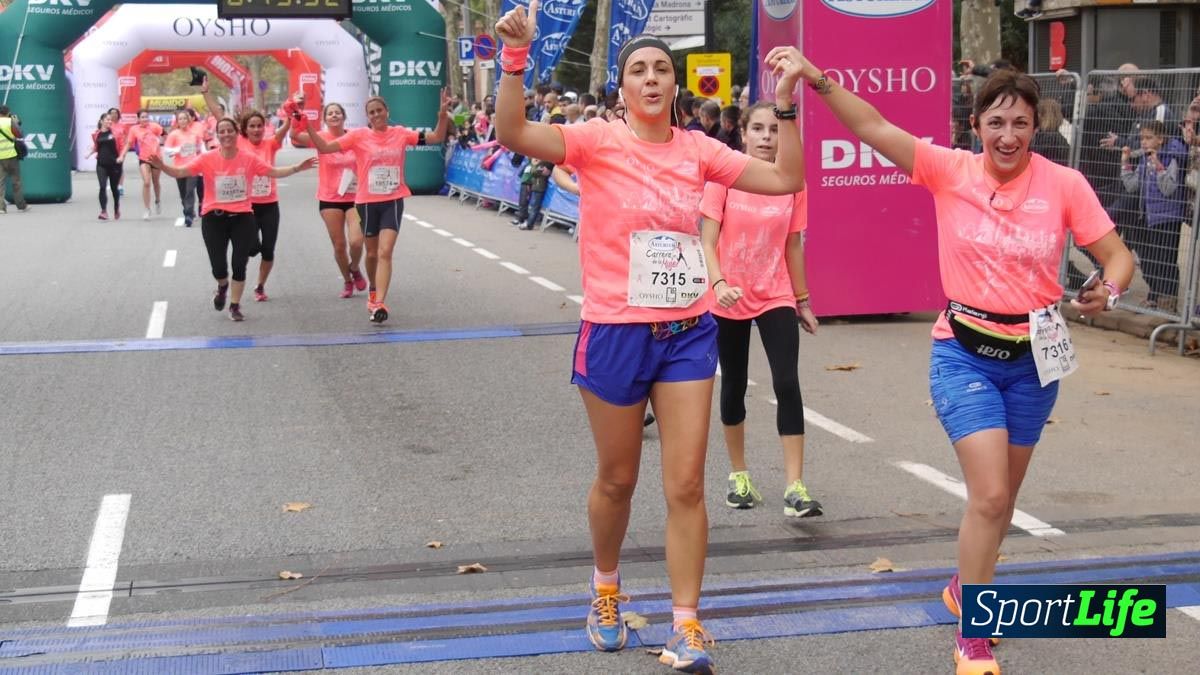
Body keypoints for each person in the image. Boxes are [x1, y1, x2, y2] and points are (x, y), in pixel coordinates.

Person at [793, 53, 1134, 675]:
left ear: (1037, 127)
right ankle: (974, 633)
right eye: (997, 122)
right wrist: (817, 80)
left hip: (1034, 362)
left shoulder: (1064, 184)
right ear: (976, 126)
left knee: (1000, 506)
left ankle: (962, 584)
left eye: (1022, 124)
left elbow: (1116, 256)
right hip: (964, 354)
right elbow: (870, 126)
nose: (1009, 136)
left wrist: (1106, 291)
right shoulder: (949, 170)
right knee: (991, 494)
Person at [494, 1, 806, 670]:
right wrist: (514, 60)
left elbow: (785, 179)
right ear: (624, 87)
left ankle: (687, 623)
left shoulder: (698, 149)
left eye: (663, 68)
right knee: (617, 478)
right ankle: (605, 587)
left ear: (674, 84)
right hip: (614, 330)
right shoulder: (597, 141)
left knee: (687, 483)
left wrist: (785, 107)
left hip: (688, 331)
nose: (652, 78)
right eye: (639, 70)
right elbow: (514, 130)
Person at [699, 101, 821, 519]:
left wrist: (802, 301)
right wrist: (718, 283)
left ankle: (795, 486)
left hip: (775, 294)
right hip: (728, 295)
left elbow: (792, 245)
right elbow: (707, 240)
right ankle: (739, 476)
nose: (768, 137)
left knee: (787, 382)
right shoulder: (724, 178)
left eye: (774, 129)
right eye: (759, 129)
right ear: (744, 134)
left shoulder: (793, 183)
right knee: (733, 385)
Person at [303, 91, 452, 323]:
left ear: (387, 112)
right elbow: (324, 147)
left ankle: (380, 302)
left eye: (379, 111)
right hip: (366, 202)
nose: (376, 115)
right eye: (371, 112)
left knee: (385, 251)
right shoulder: (358, 136)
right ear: (367, 117)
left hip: (392, 200)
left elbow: (436, 138)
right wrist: (308, 126)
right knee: (371, 253)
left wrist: (442, 115)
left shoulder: (400, 133)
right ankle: (372, 291)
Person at [147, 118, 315, 321]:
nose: (226, 134)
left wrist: (297, 167)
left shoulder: (249, 158)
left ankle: (234, 305)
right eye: (222, 131)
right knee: (218, 267)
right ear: (218, 135)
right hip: (214, 218)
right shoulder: (207, 158)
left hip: (242, 217)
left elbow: (273, 172)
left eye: (230, 131)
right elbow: (181, 172)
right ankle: (222, 285)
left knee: (239, 264)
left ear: (237, 134)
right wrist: (162, 166)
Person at [290, 102, 368, 299]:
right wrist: (295, 117)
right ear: (325, 119)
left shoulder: (355, 136)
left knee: (357, 241)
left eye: (337, 113)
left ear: (344, 117)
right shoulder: (320, 137)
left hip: (354, 197)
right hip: (330, 198)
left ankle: (355, 267)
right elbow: (294, 136)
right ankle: (348, 280)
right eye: (330, 113)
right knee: (339, 245)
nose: (334, 115)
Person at [1121, 120, 1188, 312]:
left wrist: (1158, 165)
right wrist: (1125, 163)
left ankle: (1168, 304)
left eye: (1148, 138)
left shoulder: (1172, 156)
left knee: (1165, 260)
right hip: (1148, 215)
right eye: (1142, 138)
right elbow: (1132, 185)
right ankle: (1155, 294)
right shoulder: (1145, 158)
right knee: (1149, 260)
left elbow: (1168, 188)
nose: (1143, 142)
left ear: (1161, 139)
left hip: (1168, 216)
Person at [238, 108, 293, 302]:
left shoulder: (270, 144)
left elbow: (284, 129)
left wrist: (290, 117)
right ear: (245, 129)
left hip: (269, 204)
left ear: (264, 127)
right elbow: (221, 119)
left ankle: (260, 286)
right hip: (247, 206)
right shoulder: (239, 143)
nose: (256, 129)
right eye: (252, 126)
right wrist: (206, 93)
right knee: (251, 248)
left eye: (259, 126)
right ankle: (239, 278)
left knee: (268, 249)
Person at [120, 109, 165, 220]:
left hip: (156, 159)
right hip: (144, 158)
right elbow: (129, 143)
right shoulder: (134, 129)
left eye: (146, 117)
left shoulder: (155, 127)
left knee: (156, 182)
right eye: (142, 117)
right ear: (138, 119)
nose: (145, 119)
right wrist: (122, 155)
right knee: (146, 182)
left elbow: (165, 134)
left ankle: (158, 200)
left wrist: (164, 145)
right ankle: (147, 209)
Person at [163, 110, 206, 226]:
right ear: (177, 122)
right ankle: (187, 210)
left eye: (184, 119)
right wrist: (178, 150)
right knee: (183, 193)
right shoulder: (174, 134)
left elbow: (200, 147)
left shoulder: (194, 134)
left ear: (189, 120)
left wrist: (205, 158)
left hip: (192, 167)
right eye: (180, 119)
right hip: (179, 168)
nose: (182, 121)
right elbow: (166, 150)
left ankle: (188, 214)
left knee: (190, 191)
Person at [87, 114, 123, 220]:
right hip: (101, 164)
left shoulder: (116, 133)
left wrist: (121, 157)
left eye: (110, 120)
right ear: (101, 121)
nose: (109, 121)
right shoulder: (97, 134)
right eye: (107, 120)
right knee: (102, 187)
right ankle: (103, 211)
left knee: (114, 188)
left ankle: (116, 208)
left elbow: (122, 146)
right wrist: (89, 153)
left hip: (115, 164)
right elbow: (96, 147)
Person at [0, 105, 29, 214]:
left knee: (0, 183)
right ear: (8, 113)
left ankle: (1, 208)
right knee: (16, 181)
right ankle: (21, 206)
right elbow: (19, 134)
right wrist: (16, 122)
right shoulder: (9, 122)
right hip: (11, 155)